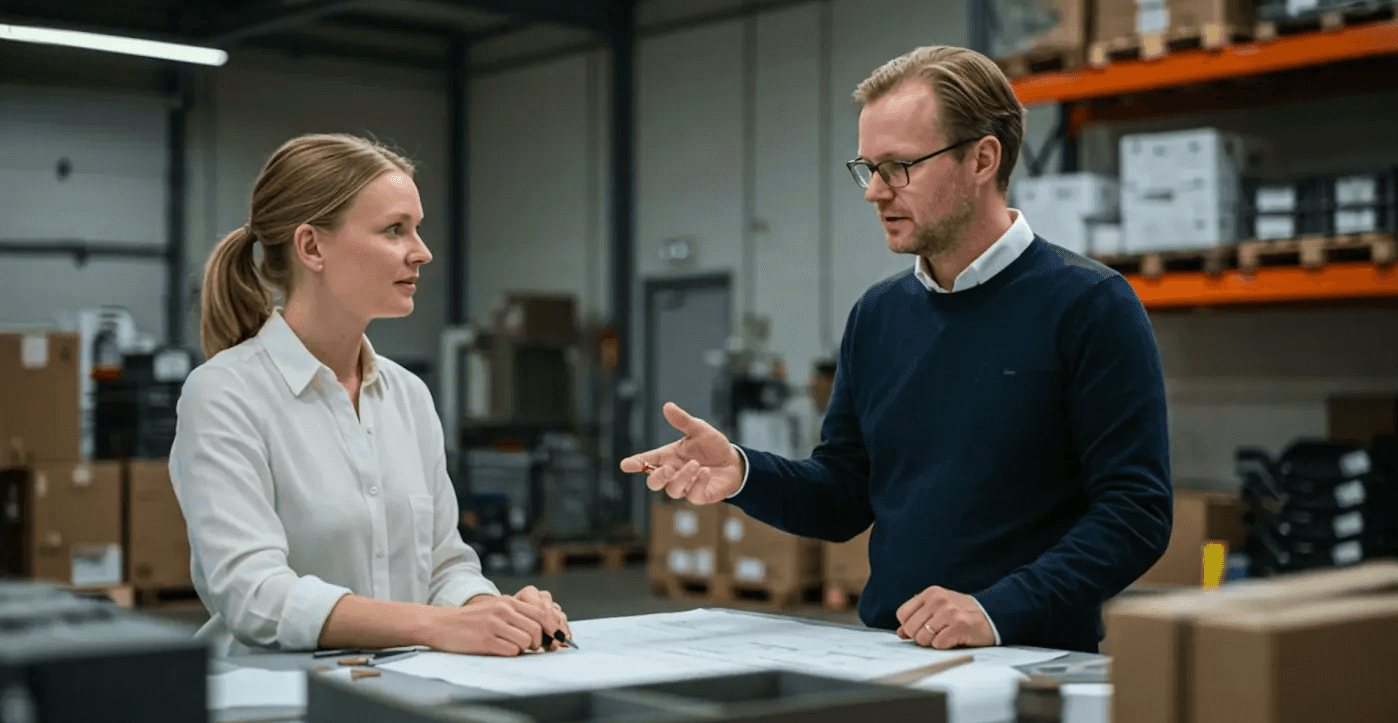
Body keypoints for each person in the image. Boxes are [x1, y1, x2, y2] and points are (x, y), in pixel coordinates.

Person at [622, 47, 1171, 654]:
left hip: (1029, 661)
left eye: (898, 167)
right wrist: (744, 473)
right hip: (888, 653)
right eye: (867, 168)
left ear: (982, 158)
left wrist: (995, 610)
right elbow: (843, 495)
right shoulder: (878, 317)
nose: (874, 193)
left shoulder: (1090, 306)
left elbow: (1135, 512)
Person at [171, 132, 570, 656]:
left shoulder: (408, 396)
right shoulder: (225, 394)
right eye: (394, 230)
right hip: (275, 704)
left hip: (407, 691)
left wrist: (489, 610)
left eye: (417, 230)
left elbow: (444, 564)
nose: (422, 252)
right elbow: (253, 594)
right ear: (312, 246)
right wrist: (431, 626)